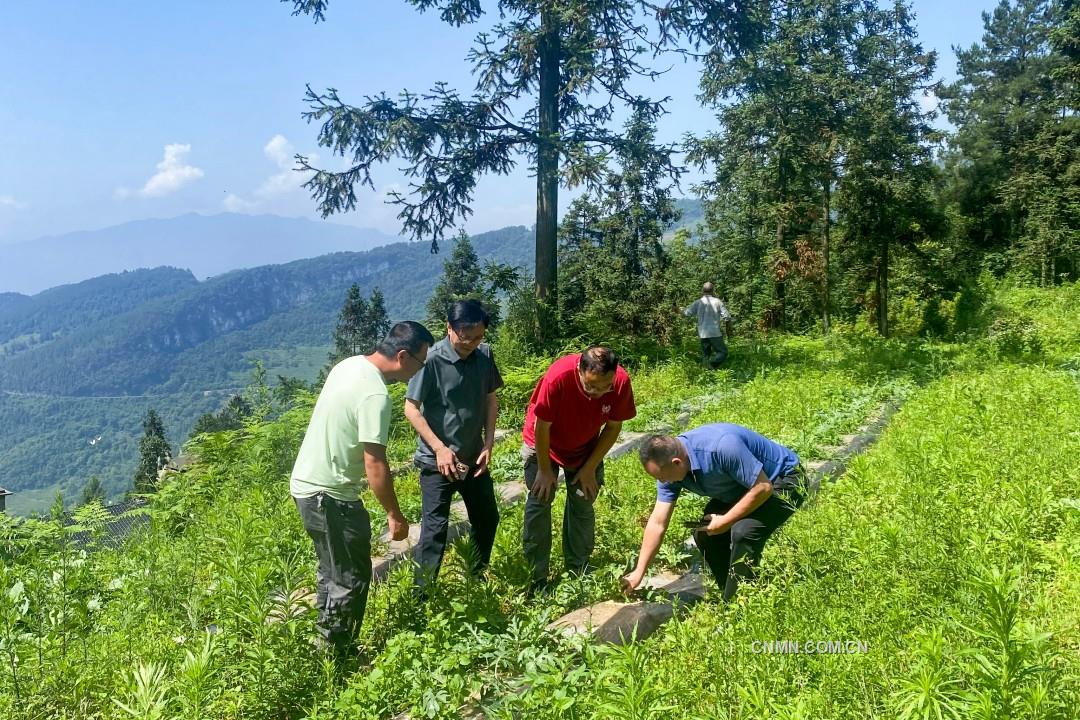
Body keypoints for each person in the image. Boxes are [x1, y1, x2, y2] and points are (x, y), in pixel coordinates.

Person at [291, 321, 435, 656]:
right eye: (420, 362)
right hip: (331, 496)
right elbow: (375, 464)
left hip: (306, 487)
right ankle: (339, 657)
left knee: (332, 572)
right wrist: (394, 514)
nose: (418, 371)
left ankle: (325, 647)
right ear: (402, 356)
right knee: (350, 578)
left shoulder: (349, 365)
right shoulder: (376, 395)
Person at [621, 423, 808, 600]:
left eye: (661, 477)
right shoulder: (669, 471)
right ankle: (731, 593)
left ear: (677, 462)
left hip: (784, 481)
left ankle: (742, 605)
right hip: (742, 487)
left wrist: (726, 520)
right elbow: (658, 522)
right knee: (705, 533)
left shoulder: (722, 447)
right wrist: (639, 571)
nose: (662, 482)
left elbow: (763, 488)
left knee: (744, 531)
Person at [404, 300, 503, 595]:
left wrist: (488, 443)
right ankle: (422, 597)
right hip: (437, 463)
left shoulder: (484, 354)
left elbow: (490, 399)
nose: (471, 343)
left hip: (474, 458)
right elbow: (411, 408)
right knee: (435, 531)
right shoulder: (431, 359)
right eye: (465, 336)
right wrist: (439, 448)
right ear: (449, 328)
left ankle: (475, 576)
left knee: (487, 518)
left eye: (478, 336)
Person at [521, 346, 636, 593]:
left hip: (584, 445)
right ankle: (536, 576)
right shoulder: (558, 377)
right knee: (540, 501)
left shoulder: (621, 382)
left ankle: (578, 569)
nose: (597, 393)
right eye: (591, 386)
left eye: (604, 386)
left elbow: (614, 427)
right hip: (543, 442)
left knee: (583, 501)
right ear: (580, 370)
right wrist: (544, 470)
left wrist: (589, 469)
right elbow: (542, 426)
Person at [683, 282, 732, 367]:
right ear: (713, 290)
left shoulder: (698, 302)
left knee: (706, 354)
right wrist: (728, 330)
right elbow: (727, 317)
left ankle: (705, 372)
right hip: (714, 333)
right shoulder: (718, 302)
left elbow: (686, 313)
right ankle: (711, 365)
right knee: (723, 352)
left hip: (703, 333)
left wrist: (677, 310)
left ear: (703, 290)